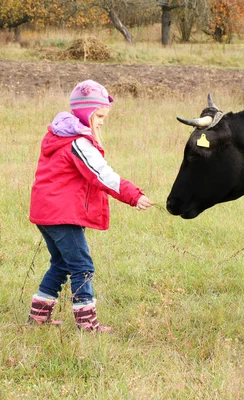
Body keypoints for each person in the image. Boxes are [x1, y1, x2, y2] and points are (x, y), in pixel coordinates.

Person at [27, 79, 154, 332]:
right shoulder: (78, 143)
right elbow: (101, 174)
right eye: (99, 115)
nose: (102, 121)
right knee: (82, 266)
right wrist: (134, 195)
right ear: (87, 113)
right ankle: (87, 324)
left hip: (47, 213)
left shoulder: (60, 135)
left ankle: (38, 318)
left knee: (62, 264)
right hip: (61, 216)